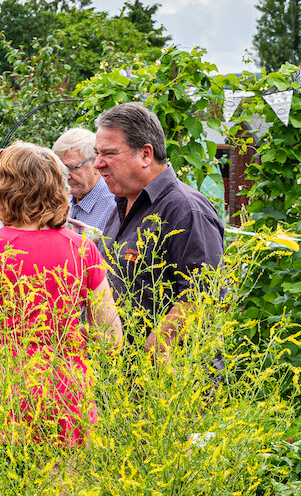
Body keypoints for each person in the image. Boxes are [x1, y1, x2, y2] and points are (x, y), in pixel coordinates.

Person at [0, 142, 124, 445]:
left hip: (0, 397)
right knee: (62, 491)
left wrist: (3, 353)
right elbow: (111, 338)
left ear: (10, 192)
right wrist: (65, 338)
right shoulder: (83, 250)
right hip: (65, 397)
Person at [92, 102, 224, 348]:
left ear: (145, 154)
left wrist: (153, 354)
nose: (98, 163)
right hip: (119, 375)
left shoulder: (186, 210)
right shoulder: (122, 203)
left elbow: (202, 295)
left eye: (109, 154)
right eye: (97, 154)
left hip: (167, 379)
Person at [52, 127, 117, 239]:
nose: (66, 176)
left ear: (95, 164)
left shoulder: (114, 207)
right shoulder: (61, 199)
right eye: (60, 169)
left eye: (72, 167)